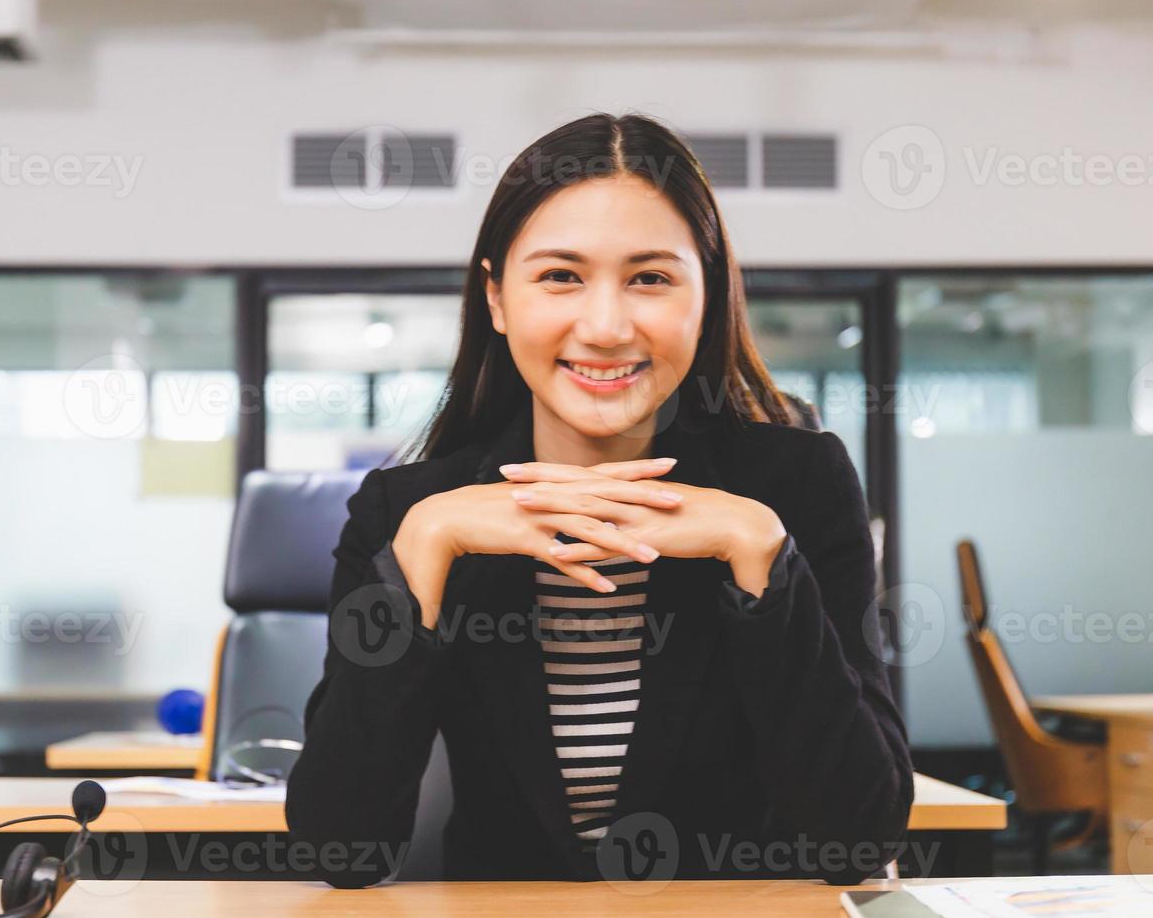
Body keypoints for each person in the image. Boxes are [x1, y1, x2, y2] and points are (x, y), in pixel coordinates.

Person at [284, 112, 912, 888]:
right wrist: (420, 553)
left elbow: (857, 839)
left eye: (649, 277)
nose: (607, 325)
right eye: (560, 276)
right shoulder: (408, 512)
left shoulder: (795, 488)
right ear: (498, 299)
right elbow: (339, 851)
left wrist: (762, 558)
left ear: (705, 296)